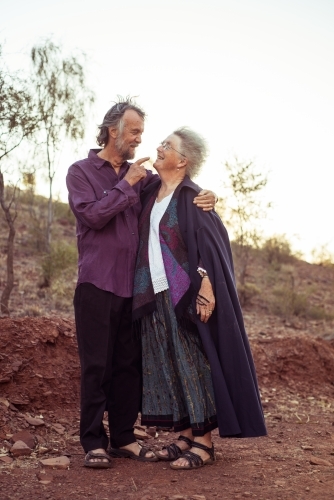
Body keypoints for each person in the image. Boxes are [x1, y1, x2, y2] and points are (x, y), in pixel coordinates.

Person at [66, 98, 217, 468]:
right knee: (96, 366)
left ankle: (122, 437)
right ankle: (93, 442)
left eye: (141, 133)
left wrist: (208, 196)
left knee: (128, 366)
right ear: (112, 130)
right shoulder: (82, 172)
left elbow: (175, 193)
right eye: (134, 131)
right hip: (97, 285)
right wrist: (126, 184)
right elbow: (91, 216)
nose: (139, 139)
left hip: (136, 292)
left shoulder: (146, 180)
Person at [131, 127, 267, 470]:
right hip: (154, 291)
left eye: (168, 146)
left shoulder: (194, 198)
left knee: (192, 363)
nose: (159, 148)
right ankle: (186, 434)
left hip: (184, 295)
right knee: (168, 363)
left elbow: (212, 245)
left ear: (184, 160)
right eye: (161, 143)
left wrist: (207, 286)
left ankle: (205, 444)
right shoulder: (150, 190)